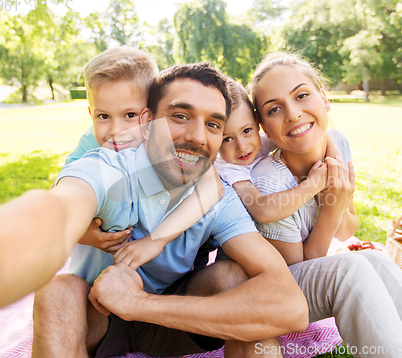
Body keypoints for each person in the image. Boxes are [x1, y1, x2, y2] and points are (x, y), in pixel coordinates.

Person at [28, 62, 308, 358]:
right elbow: (66, 200)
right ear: (147, 122)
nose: (198, 136)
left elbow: (291, 308)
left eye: (213, 125)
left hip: (174, 320)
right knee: (57, 291)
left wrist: (138, 304)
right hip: (97, 314)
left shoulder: (219, 197)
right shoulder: (109, 168)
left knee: (234, 280)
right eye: (180, 116)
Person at [248, 52, 402, 358]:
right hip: (280, 288)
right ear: (264, 129)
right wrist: (330, 204)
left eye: (302, 96)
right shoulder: (270, 183)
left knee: (378, 261)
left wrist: (337, 198)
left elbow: (348, 230)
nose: (293, 113)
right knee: (350, 269)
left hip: (310, 269)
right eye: (274, 109)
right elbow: (302, 269)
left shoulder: (339, 143)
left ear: (324, 99)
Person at [66, 46, 223, 269]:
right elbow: (66, 187)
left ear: (152, 113)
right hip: (95, 271)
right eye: (103, 116)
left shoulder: (168, 142)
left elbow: (213, 187)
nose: (115, 130)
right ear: (91, 114)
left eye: (130, 115)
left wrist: (156, 241)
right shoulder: (92, 141)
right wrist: (82, 233)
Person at [214, 80, 341, 264]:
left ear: (258, 125)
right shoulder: (228, 167)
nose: (242, 146)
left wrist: (334, 164)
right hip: (241, 255)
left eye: (247, 130)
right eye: (227, 139)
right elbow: (261, 209)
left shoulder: (262, 141)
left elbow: (321, 134)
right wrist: (312, 185)